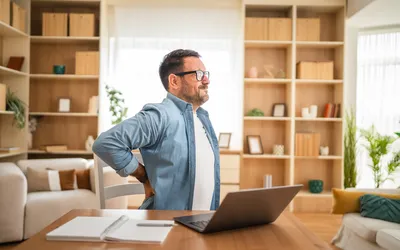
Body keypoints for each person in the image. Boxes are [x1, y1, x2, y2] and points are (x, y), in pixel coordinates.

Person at [92, 49, 221, 211]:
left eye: (206, 74)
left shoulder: (202, 118)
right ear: (174, 81)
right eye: (199, 74)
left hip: (203, 222)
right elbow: (105, 143)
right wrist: (143, 175)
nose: (206, 80)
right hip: (168, 225)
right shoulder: (160, 116)